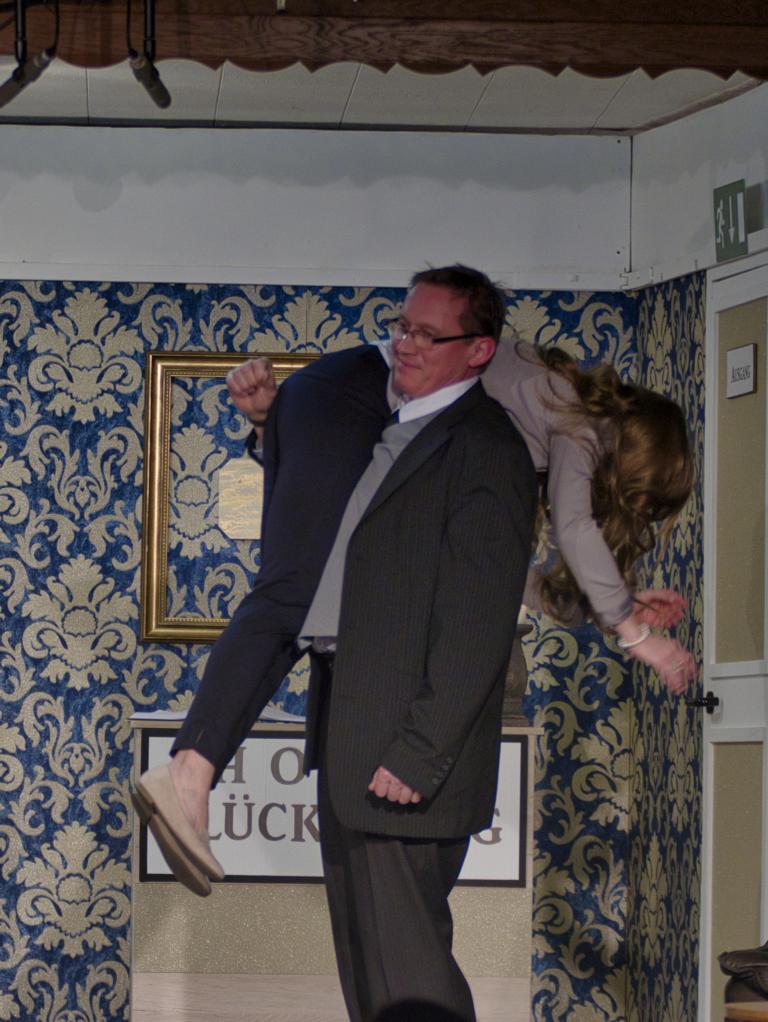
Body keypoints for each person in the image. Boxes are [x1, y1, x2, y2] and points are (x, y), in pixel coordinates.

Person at [133, 267, 696, 888]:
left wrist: (605, 606)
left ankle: (190, 771)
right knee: (294, 594)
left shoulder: (530, 421)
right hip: (350, 399)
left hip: (339, 409)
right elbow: (575, 526)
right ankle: (188, 770)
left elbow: (508, 574)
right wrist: (637, 634)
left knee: (299, 595)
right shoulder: (573, 417)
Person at [135, 266, 538, 1021]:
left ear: (479, 350)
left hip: (405, 766)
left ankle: (192, 766)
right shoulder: (394, 428)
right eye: (402, 327)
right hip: (353, 745)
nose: (405, 345)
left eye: (428, 335)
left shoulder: (486, 449)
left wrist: (419, 753)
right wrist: (270, 429)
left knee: (411, 984)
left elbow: (477, 628)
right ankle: (192, 766)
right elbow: (328, 533)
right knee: (372, 985)